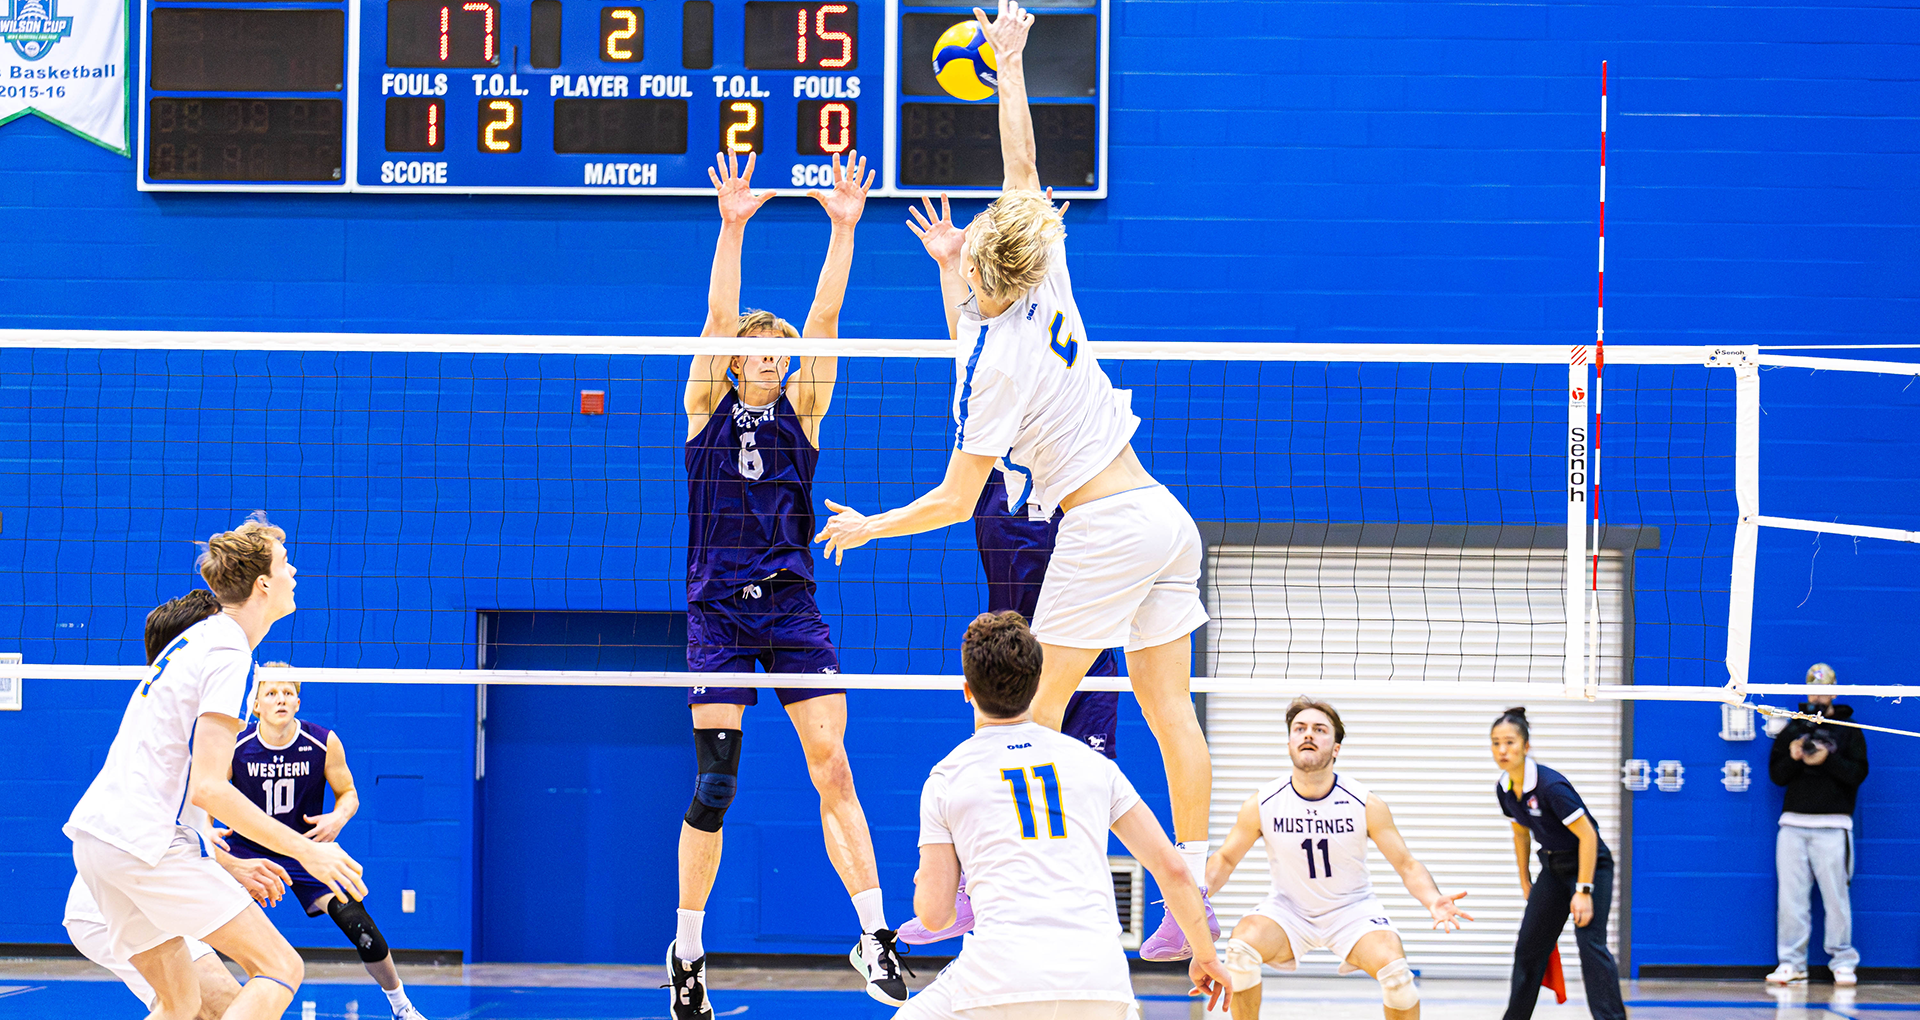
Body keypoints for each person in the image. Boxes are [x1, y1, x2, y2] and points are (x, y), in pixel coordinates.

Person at [816, 0, 1217, 960]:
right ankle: (1187, 902)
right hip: (1164, 514)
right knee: (1170, 715)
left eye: (966, 276)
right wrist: (1010, 57)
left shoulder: (991, 366)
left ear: (984, 278)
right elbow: (1025, 166)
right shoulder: (1046, 268)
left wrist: (870, 526)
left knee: (1019, 723)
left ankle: (968, 908)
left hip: (1105, 528)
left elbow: (958, 501)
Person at [674, 148, 905, 1017]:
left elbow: (828, 312)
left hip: (794, 610)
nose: (770, 357)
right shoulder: (705, 403)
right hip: (716, 617)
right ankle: (689, 955)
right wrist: (732, 225)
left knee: (831, 764)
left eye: (781, 351)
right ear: (737, 361)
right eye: (756, 350)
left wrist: (843, 228)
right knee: (716, 784)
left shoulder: (805, 411)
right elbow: (718, 312)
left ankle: (873, 933)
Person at [63, 513, 368, 1020]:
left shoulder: (198, 640)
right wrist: (307, 854)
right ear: (264, 583)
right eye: (286, 564)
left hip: (99, 840)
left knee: (180, 1005)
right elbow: (209, 787)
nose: (295, 574)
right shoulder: (227, 649)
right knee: (280, 968)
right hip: (146, 842)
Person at [898, 611, 1229, 1019]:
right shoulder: (1094, 764)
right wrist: (1205, 953)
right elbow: (1173, 869)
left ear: (967, 690)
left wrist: (925, 883)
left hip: (998, 982)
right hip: (1100, 983)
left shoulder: (947, 777)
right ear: (1038, 684)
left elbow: (934, 916)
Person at [897, 470, 1124, 946]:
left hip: (1087, 656)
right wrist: (873, 526)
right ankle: (971, 900)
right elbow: (946, 501)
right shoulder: (983, 475)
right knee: (998, 789)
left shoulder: (1086, 468)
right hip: (1013, 660)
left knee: (1088, 797)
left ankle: (1083, 917)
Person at [62, 589, 290, 1020]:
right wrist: (308, 851)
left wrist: (232, 863)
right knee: (240, 990)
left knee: (184, 1006)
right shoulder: (187, 707)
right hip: (125, 885)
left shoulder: (188, 717)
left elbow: (187, 829)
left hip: (141, 875)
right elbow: (185, 812)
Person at [1204, 698, 1470, 1019]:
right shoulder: (1262, 803)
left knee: (1398, 976)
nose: (1308, 735)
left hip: (1352, 912)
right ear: (1289, 741)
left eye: (1320, 730)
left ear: (1336, 748)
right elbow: (1226, 859)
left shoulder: (1365, 803)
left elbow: (1406, 864)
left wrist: (1432, 899)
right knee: (1240, 951)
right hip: (1289, 911)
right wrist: (1194, 896)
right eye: (1299, 729)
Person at [220, 668, 429, 1019]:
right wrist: (208, 831)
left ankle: (401, 1006)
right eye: (271, 693)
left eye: (288, 692)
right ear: (255, 705)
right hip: (245, 851)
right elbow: (207, 794)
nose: (281, 699)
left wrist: (338, 817)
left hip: (304, 853)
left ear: (298, 701)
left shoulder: (322, 741)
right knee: (200, 921)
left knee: (359, 925)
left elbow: (348, 794)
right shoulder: (235, 744)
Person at [1491, 708, 1624, 1020]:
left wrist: (1584, 890)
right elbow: (1520, 833)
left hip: (1589, 866)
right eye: (1496, 743)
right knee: (1528, 947)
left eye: (1509, 742)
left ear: (1526, 746)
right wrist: (1525, 879)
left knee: (1591, 946)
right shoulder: (1505, 788)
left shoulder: (1550, 787)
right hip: (1552, 868)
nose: (1502, 750)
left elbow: (1589, 837)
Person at [1767, 662, 1867, 987]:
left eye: (1824, 687)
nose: (1818, 693)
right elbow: (1776, 775)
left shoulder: (1849, 728)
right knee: (1791, 898)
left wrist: (1828, 758)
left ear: (1834, 691)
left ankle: (1842, 960)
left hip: (1833, 825)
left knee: (1836, 897)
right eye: (1813, 687)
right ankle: (1792, 963)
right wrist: (1795, 754)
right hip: (1793, 824)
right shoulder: (1794, 727)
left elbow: (1857, 775)